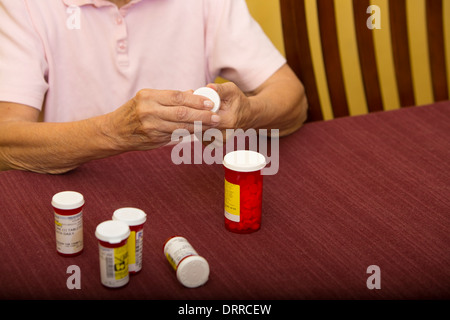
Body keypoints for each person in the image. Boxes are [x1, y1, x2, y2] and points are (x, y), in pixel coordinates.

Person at [0, 0, 307, 174]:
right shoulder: (24, 6)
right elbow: (6, 140)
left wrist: (248, 113)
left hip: (189, 182)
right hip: (77, 191)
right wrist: (114, 132)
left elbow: (292, 98)